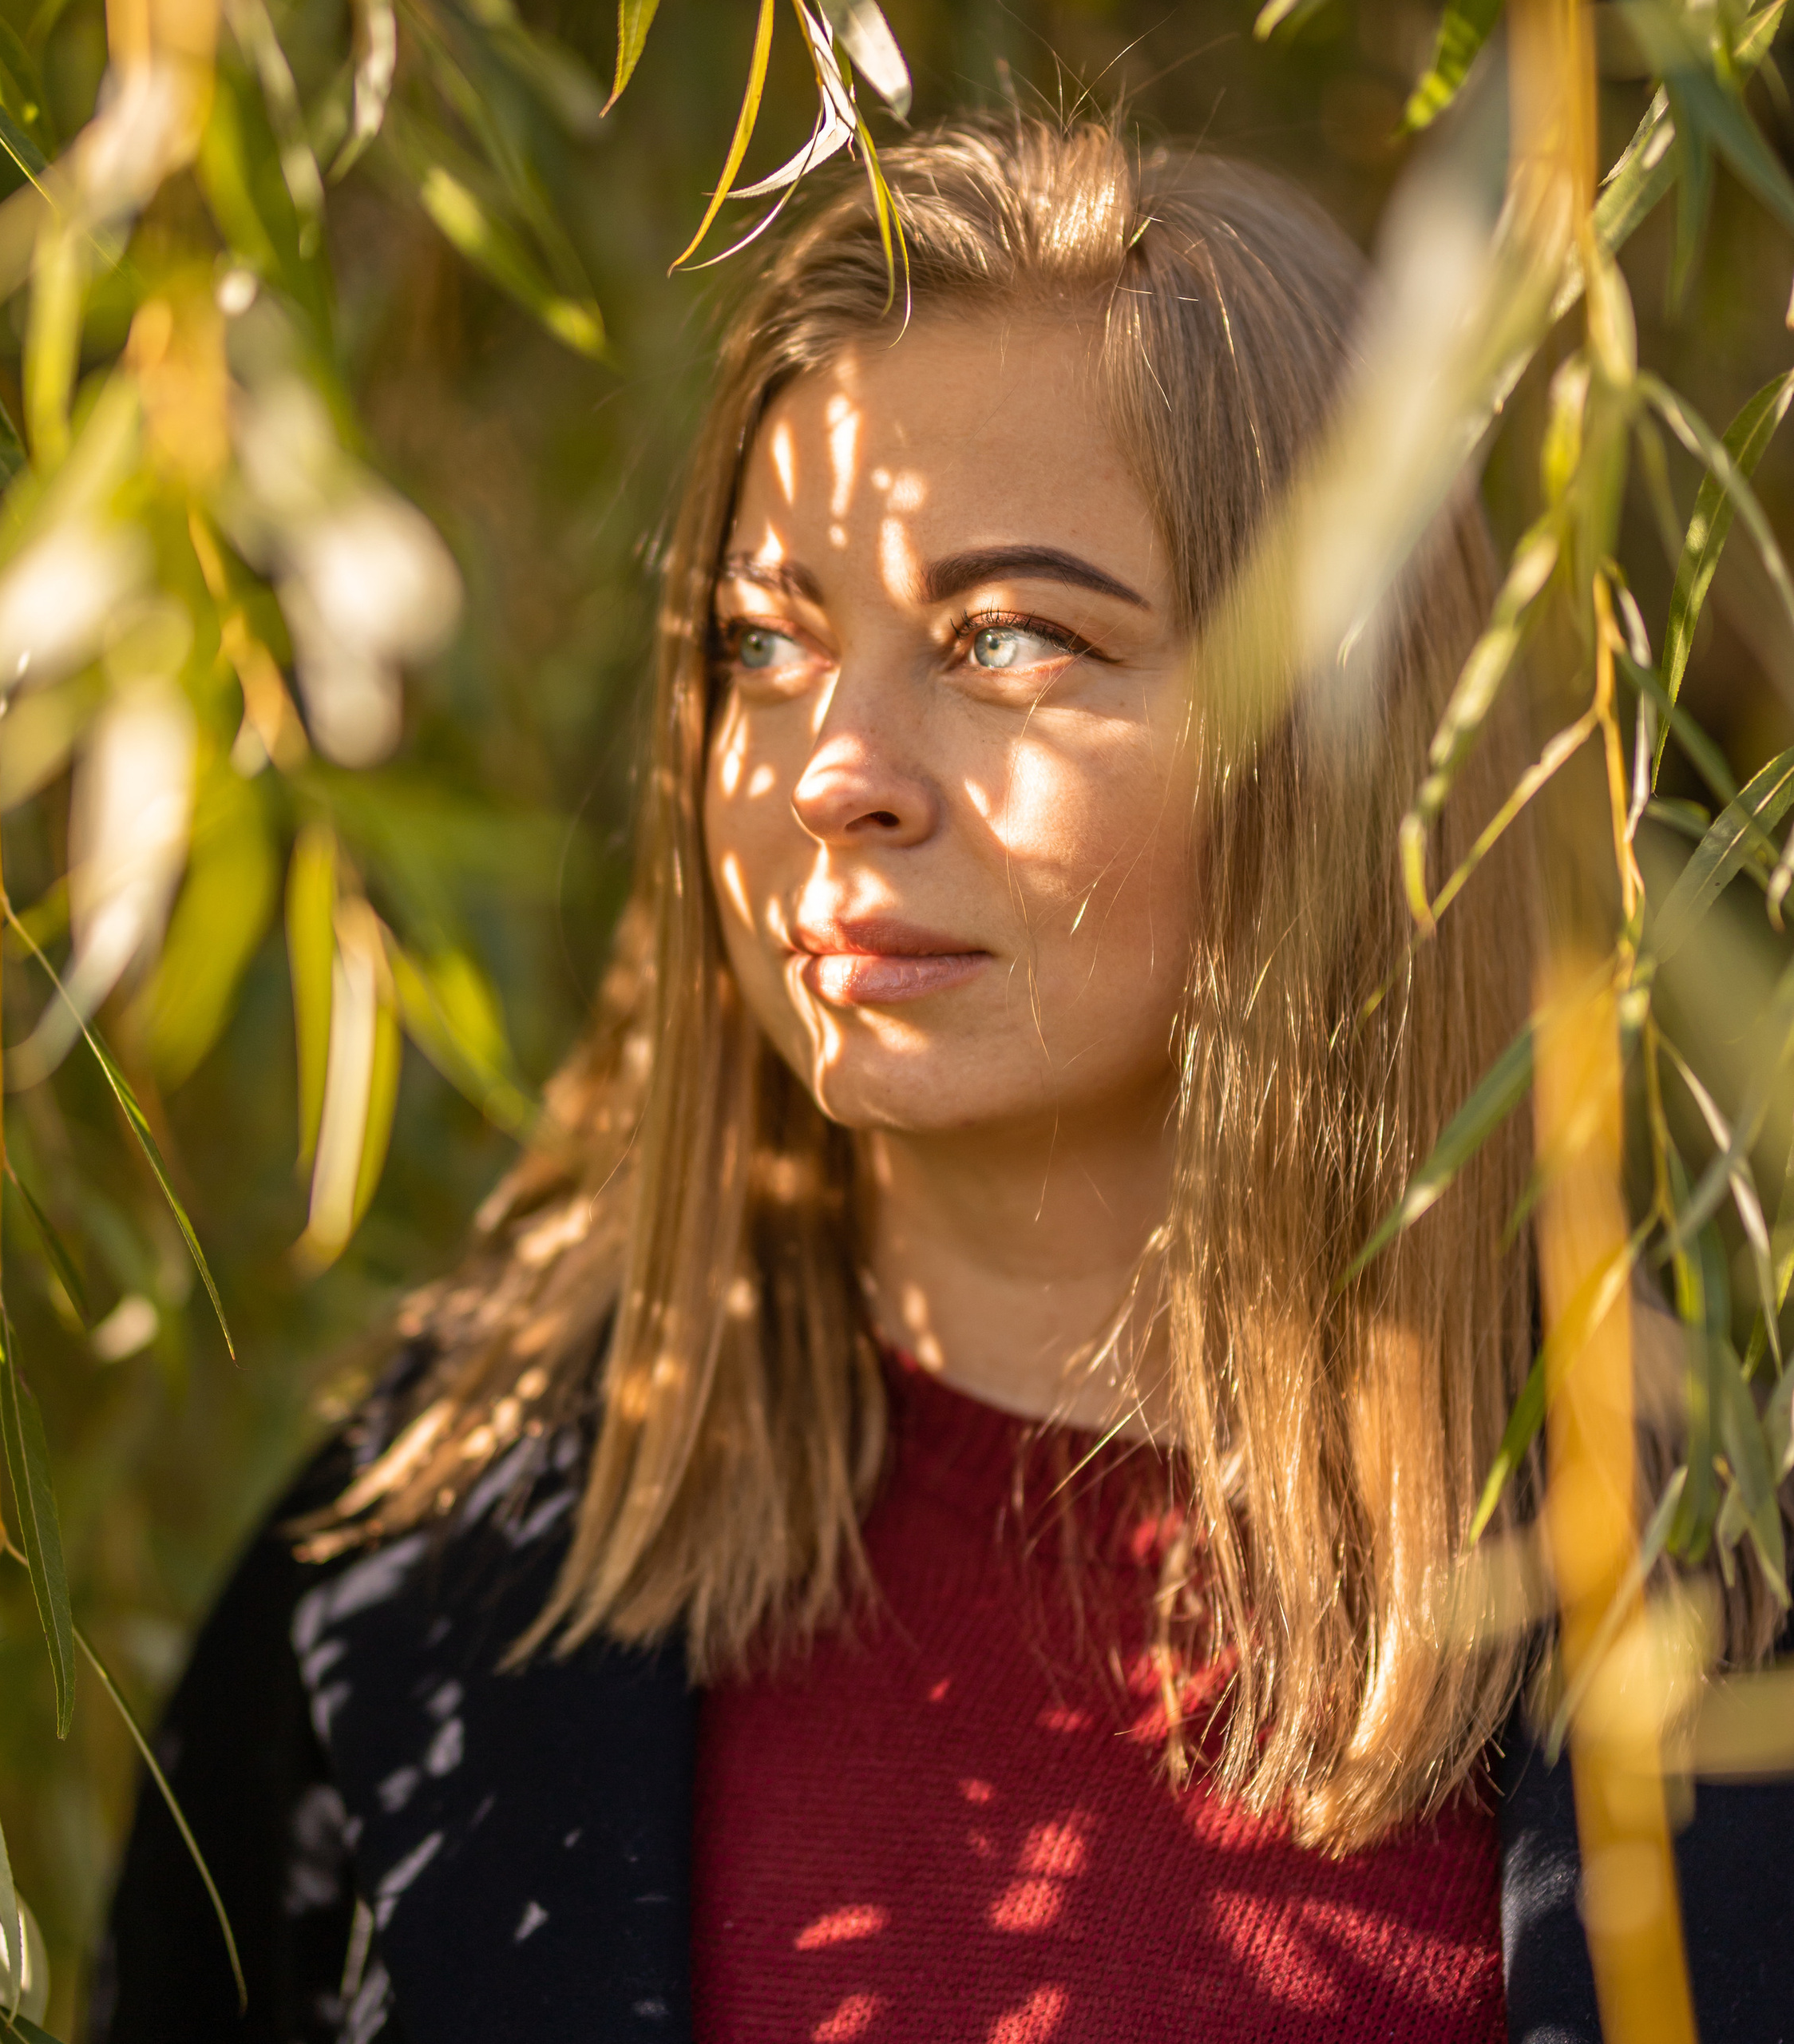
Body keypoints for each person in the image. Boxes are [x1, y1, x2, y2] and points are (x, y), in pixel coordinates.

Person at [92, 114, 1794, 2044]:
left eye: (1005, 638)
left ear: (1331, 729)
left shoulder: (1716, 1621)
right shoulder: (418, 1576)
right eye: (763, 640)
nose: (836, 767)